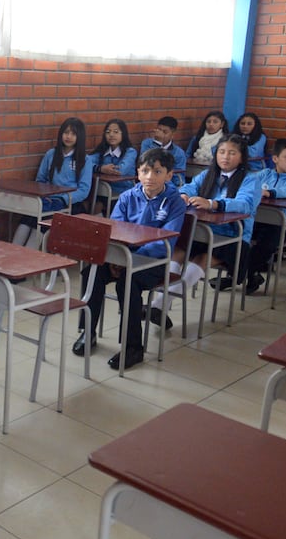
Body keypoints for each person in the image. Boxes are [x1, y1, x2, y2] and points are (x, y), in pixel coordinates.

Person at [72, 148, 186, 370]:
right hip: (122, 258)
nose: (150, 177)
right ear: (138, 173)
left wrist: (129, 260)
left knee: (128, 283)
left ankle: (133, 348)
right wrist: (117, 258)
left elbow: (165, 244)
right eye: (145, 171)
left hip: (153, 263)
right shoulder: (127, 197)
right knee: (91, 272)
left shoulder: (174, 202)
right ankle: (88, 331)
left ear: (169, 175)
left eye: (157, 171)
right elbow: (115, 231)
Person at [146, 135, 261, 328]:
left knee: (202, 258)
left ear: (242, 157)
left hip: (232, 237)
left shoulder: (251, 179)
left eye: (232, 153)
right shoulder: (209, 174)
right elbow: (191, 186)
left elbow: (245, 205)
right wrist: (184, 195)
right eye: (222, 152)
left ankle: (158, 305)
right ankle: (159, 307)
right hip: (203, 232)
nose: (225, 157)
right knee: (177, 251)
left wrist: (213, 203)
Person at [12, 117, 94, 248]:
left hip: (69, 204)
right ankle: (13, 253)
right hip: (47, 200)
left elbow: (84, 190)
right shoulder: (51, 154)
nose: (68, 136)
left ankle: (26, 257)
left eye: (73, 134)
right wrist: (45, 195)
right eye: (66, 132)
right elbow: (40, 180)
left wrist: (63, 199)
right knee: (28, 218)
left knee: (40, 223)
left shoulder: (84, 160)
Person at [244, 138, 286, 295]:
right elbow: (248, 183)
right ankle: (250, 275)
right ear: (275, 159)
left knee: (266, 243)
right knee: (239, 235)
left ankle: (240, 274)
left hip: (283, 223)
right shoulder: (265, 174)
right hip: (259, 219)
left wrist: (270, 193)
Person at [92, 118, 138, 202]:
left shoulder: (130, 152)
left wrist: (105, 170)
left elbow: (121, 170)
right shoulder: (102, 150)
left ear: (123, 134)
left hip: (124, 192)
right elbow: (86, 163)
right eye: (108, 132)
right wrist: (100, 168)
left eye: (116, 132)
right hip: (103, 190)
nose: (111, 135)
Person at [140, 116, 187, 187]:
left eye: (165, 132)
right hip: (148, 181)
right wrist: (158, 143)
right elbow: (146, 163)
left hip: (168, 186)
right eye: (159, 130)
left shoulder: (179, 153)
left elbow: (179, 178)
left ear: (173, 134)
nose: (160, 134)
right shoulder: (147, 144)